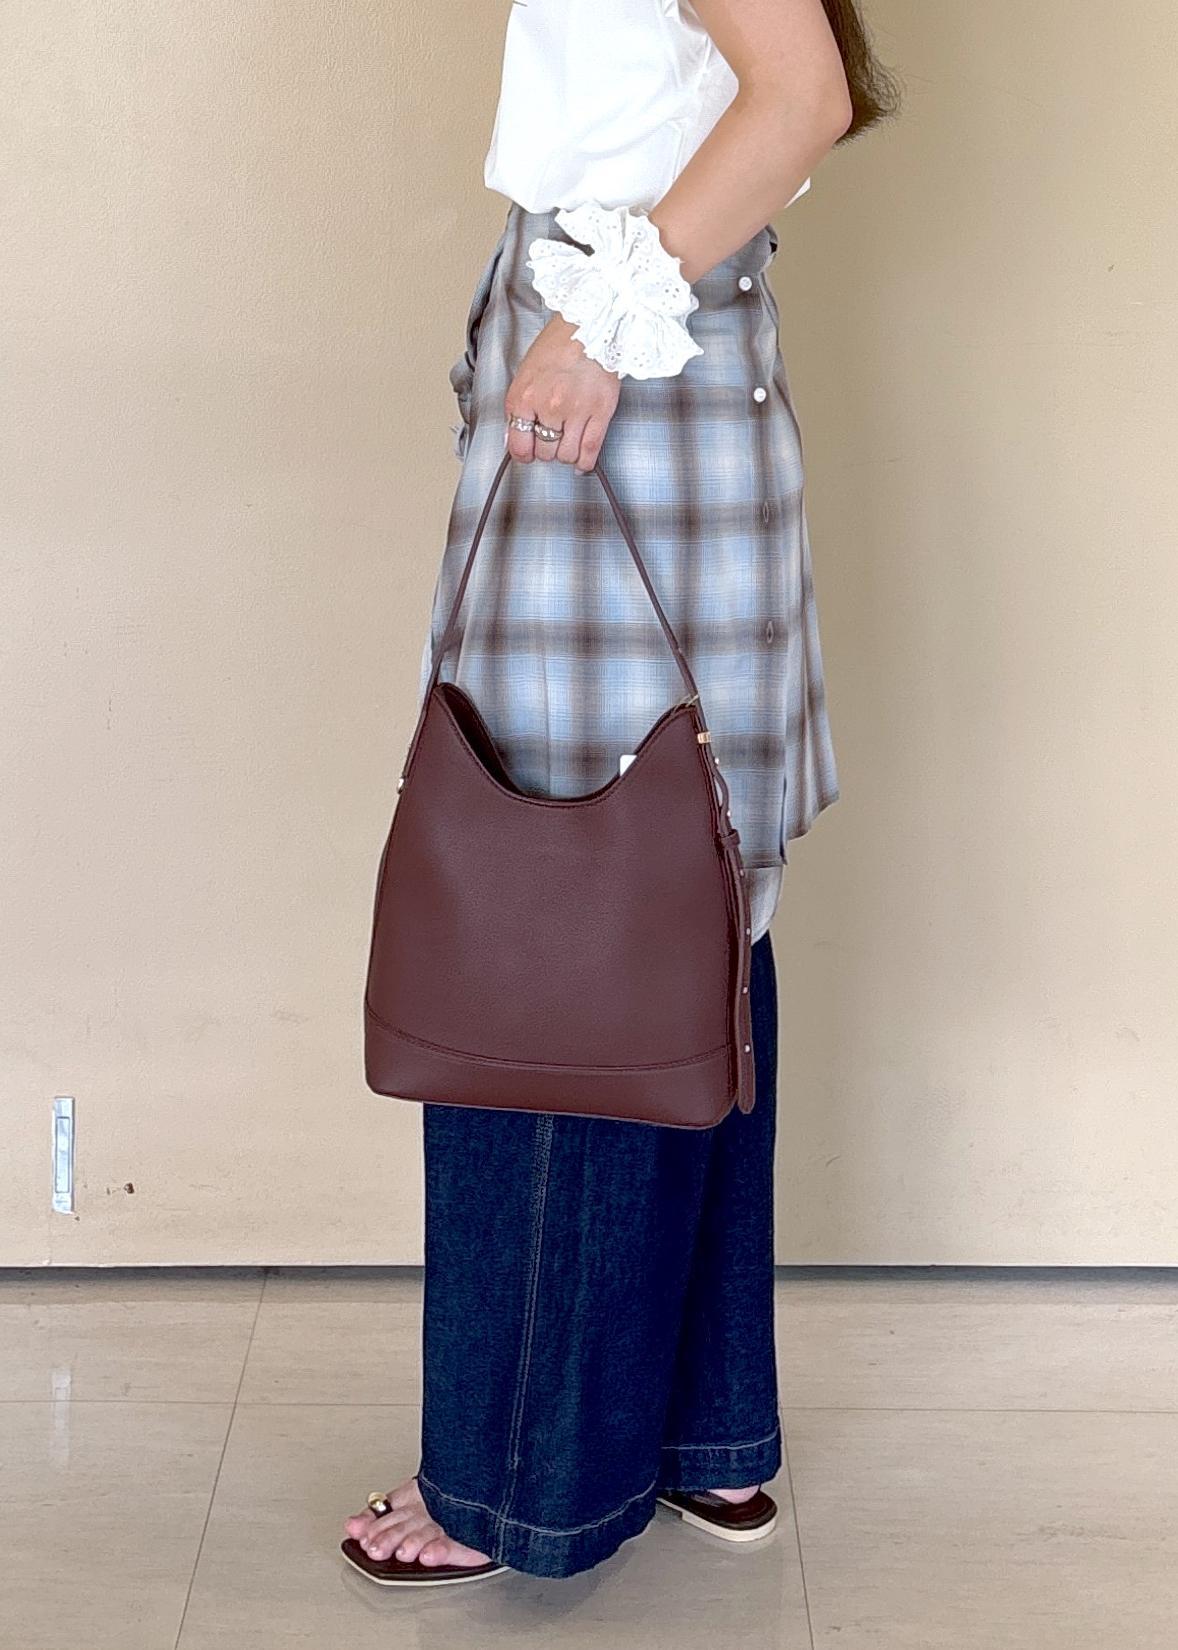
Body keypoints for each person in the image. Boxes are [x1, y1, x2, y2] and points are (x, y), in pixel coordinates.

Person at [342, 0, 897, 1586]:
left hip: (624, 341)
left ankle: (516, 1477)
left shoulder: (611, 318)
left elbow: (800, 94)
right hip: (656, 333)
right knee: (677, 890)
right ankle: (700, 1428)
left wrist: (590, 326)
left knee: (552, 907)